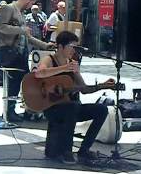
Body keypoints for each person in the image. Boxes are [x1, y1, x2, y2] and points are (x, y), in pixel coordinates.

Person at [34, 31, 116, 165]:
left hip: (72, 107)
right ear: (60, 47)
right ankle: (67, 151)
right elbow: (39, 73)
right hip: (53, 109)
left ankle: (84, 150)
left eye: (76, 47)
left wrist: (103, 85)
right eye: (71, 46)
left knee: (101, 110)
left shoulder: (72, 64)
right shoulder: (49, 59)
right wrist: (64, 68)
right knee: (72, 107)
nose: (74, 50)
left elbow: (83, 89)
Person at [0, 0, 54, 122]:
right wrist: (21, 29)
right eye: (32, 2)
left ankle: (16, 110)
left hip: (19, 53)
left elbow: (27, 36)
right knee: (19, 81)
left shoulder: (20, 12)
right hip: (8, 52)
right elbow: (1, 27)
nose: (31, 5)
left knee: (24, 80)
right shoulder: (8, 8)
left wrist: (44, 45)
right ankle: (11, 111)